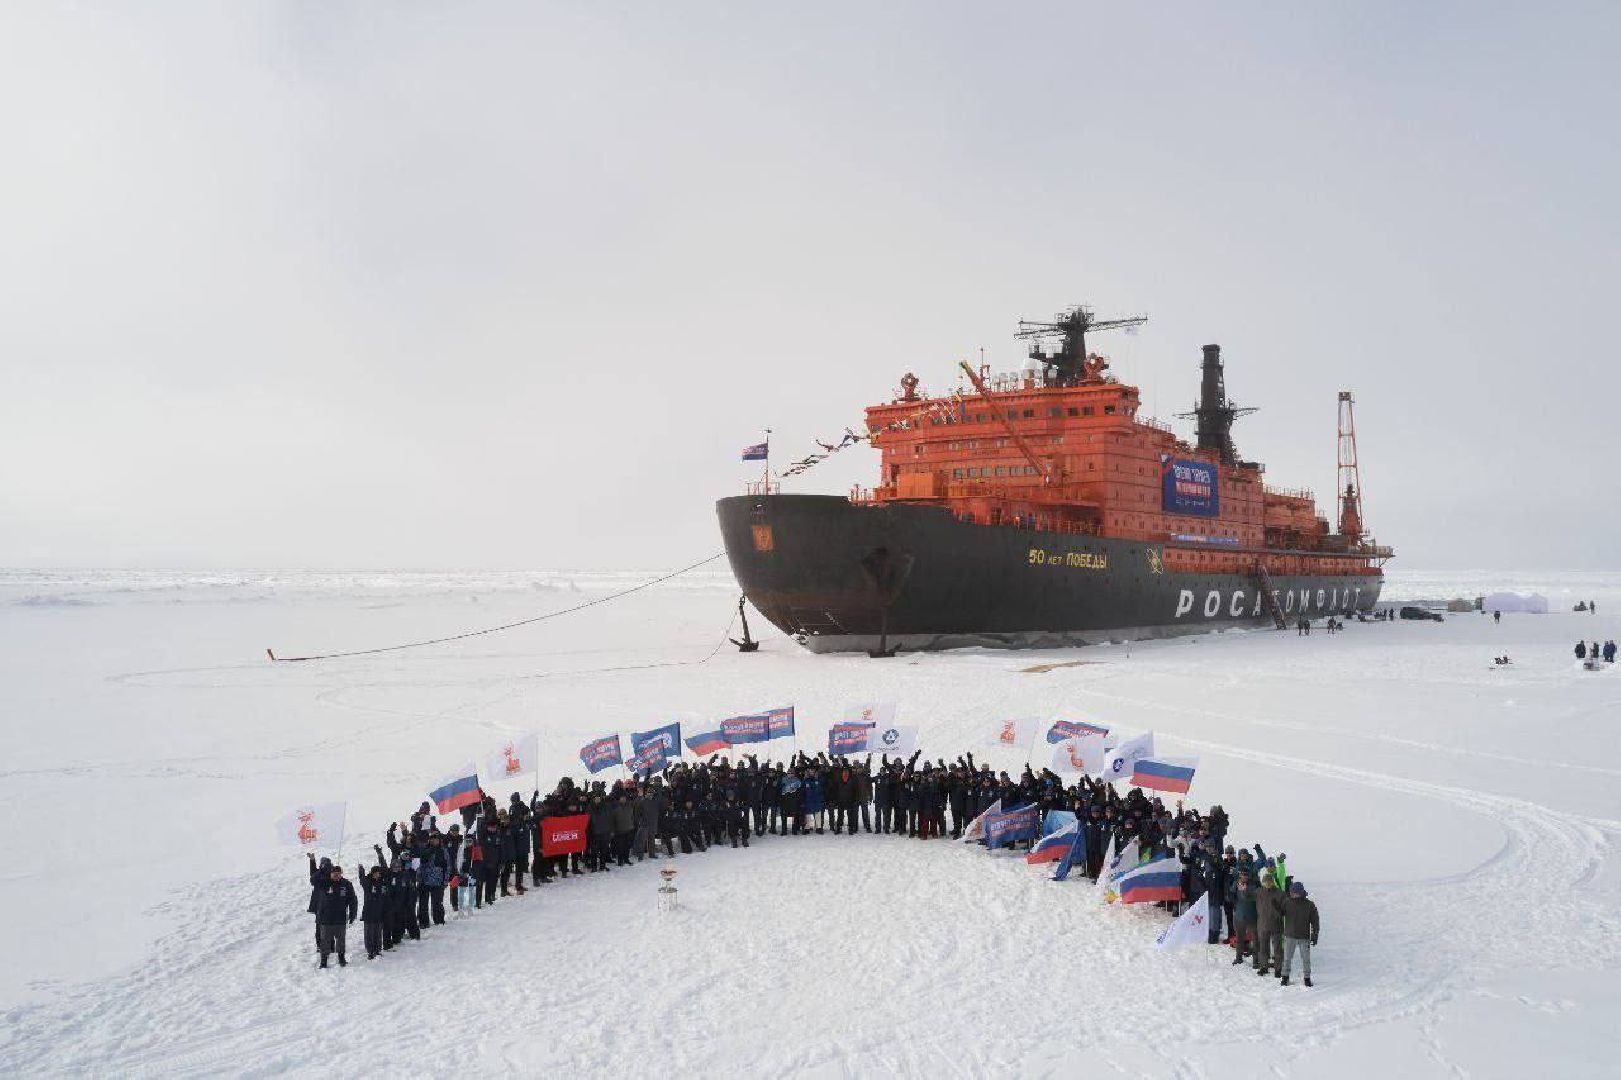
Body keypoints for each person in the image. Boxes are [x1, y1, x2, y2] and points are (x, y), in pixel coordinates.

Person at [312, 863, 357, 969]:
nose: (336, 876)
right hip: (326, 918)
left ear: (341, 874)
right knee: (325, 940)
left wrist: (352, 914)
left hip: (340, 918)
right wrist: (322, 870)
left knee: (341, 940)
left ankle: (341, 957)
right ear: (330, 874)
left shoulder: (346, 884)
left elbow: (353, 900)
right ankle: (324, 960)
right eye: (334, 874)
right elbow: (313, 880)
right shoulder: (324, 882)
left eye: (338, 874)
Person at [1280, 881, 1320, 987]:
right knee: (1287, 958)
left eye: (1296, 892)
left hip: (1304, 937)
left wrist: (1315, 934)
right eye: (1292, 892)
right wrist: (1276, 908)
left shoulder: (1309, 905)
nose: (1293, 894)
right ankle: (1285, 977)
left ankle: (1307, 978)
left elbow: (1315, 921)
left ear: (1301, 893)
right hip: (1290, 936)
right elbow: (1280, 913)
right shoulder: (1287, 902)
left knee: (1306, 959)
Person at [1253, 874, 1285, 977]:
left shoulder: (1280, 893)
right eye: (1266, 881)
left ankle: (1278, 969)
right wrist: (1242, 890)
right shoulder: (1258, 892)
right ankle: (1264, 967)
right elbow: (1247, 897)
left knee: (1277, 949)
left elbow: (1285, 910)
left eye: (1270, 881)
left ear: (1273, 882)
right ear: (1263, 882)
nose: (1268, 883)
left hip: (1276, 925)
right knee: (1263, 948)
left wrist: (1278, 909)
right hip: (1262, 925)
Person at [358, 863, 388, 959]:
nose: (377, 875)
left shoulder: (382, 882)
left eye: (378, 873)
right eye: (375, 873)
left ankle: (377, 949)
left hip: (379, 911)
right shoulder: (367, 882)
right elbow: (362, 879)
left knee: (378, 933)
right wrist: (361, 870)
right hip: (369, 911)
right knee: (369, 933)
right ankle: (370, 951)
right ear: (372, 873)